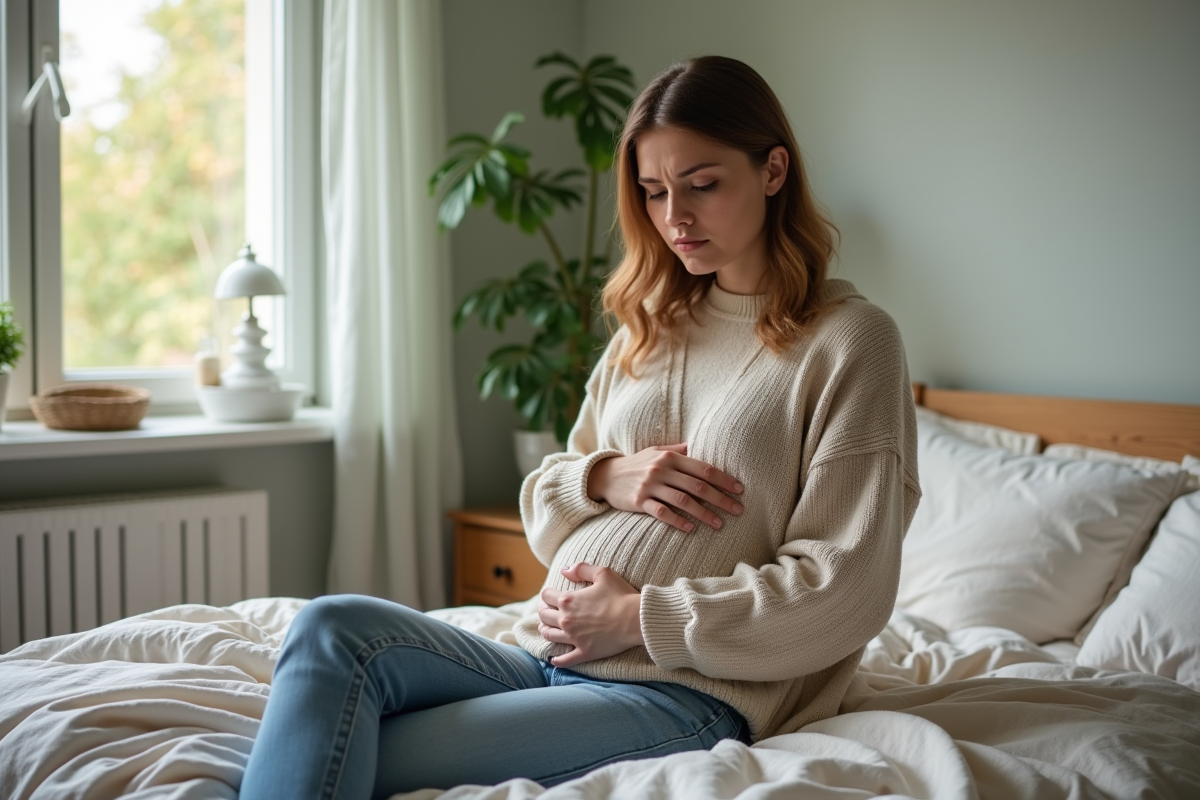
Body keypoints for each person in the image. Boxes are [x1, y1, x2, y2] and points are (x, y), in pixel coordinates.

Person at [239, 55, 920, 800]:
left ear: (773, 170)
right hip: (545, 655)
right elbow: (542, 502)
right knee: (331, 628)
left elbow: (842, 591)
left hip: (682, 692)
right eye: (655, 193)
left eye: (702, 184)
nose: (675, 218)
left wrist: (637, 618)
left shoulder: (850, 342)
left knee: (335, 757)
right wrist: (604, 476)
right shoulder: (653, 325)